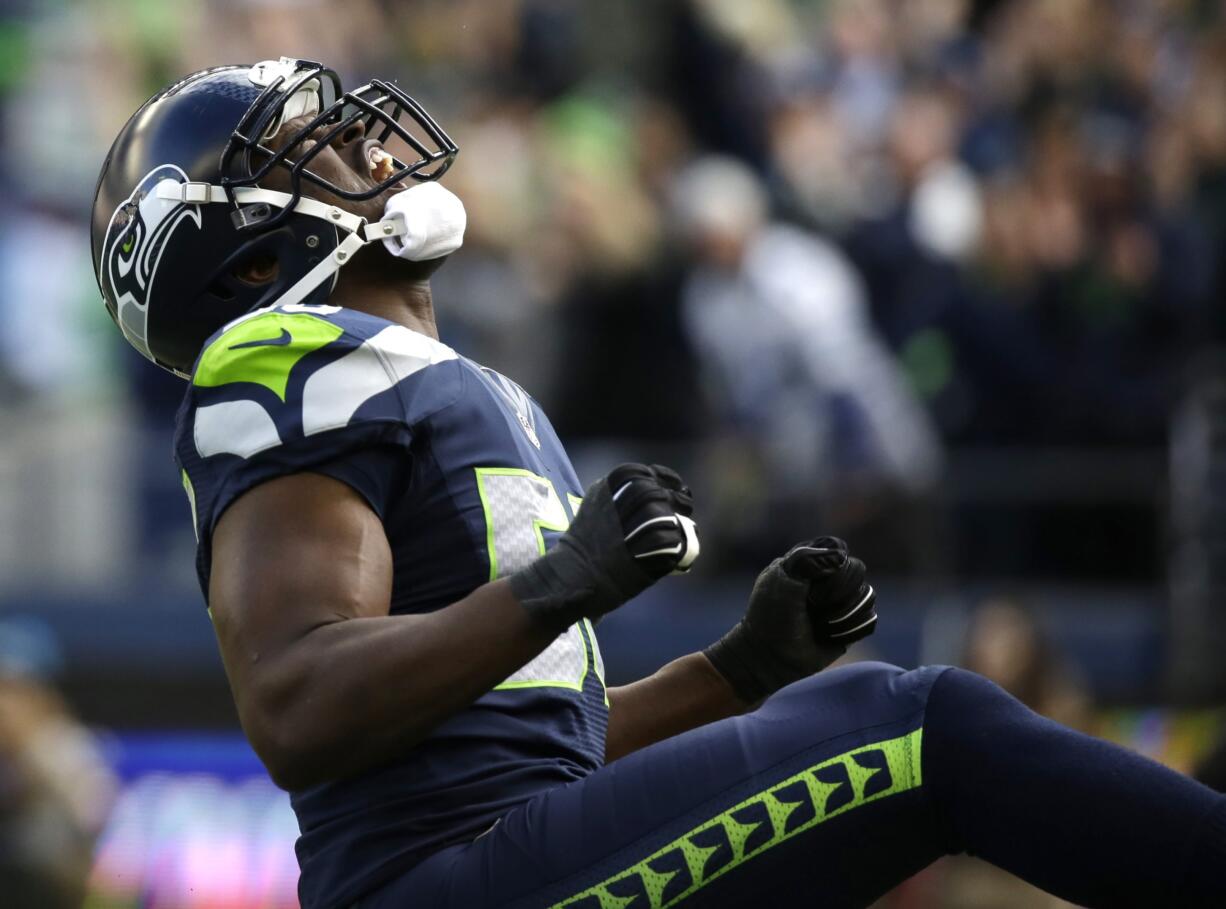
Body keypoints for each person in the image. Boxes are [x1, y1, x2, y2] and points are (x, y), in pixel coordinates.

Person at [90, 58, 1225, 909]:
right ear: (240, 254)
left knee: (843, 698)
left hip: (497, 852)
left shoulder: (445, 378)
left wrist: (733, 672)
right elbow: (295, 702)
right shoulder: (279, 356)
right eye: (309, 143)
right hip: (435, 880)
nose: (360, 145)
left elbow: (529, 741)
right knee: (919, 725)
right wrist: (561, 583)